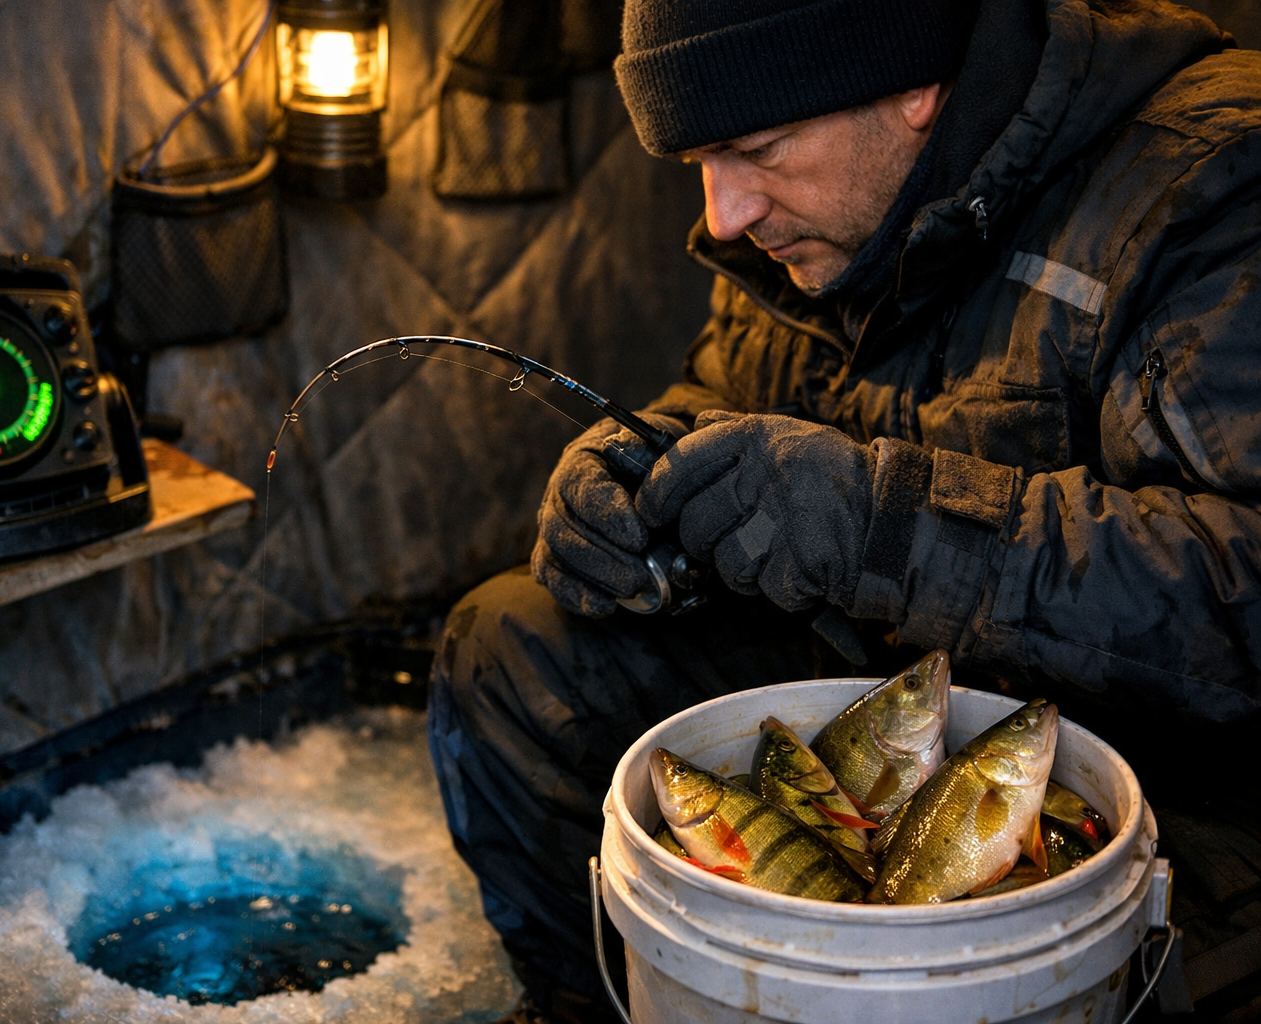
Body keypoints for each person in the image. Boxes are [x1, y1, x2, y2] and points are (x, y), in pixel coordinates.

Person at [428, 0, 1261, 1020]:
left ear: (911, 85)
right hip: (897, 704)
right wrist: (646, 478)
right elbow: (732, 396)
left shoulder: (1217, 185)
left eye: (755, 149)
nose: (723, 213)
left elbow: (1244, 595)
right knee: (516, 646)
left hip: (1186, 779)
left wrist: (889, 529)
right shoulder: (815, 213)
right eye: (697, 159)